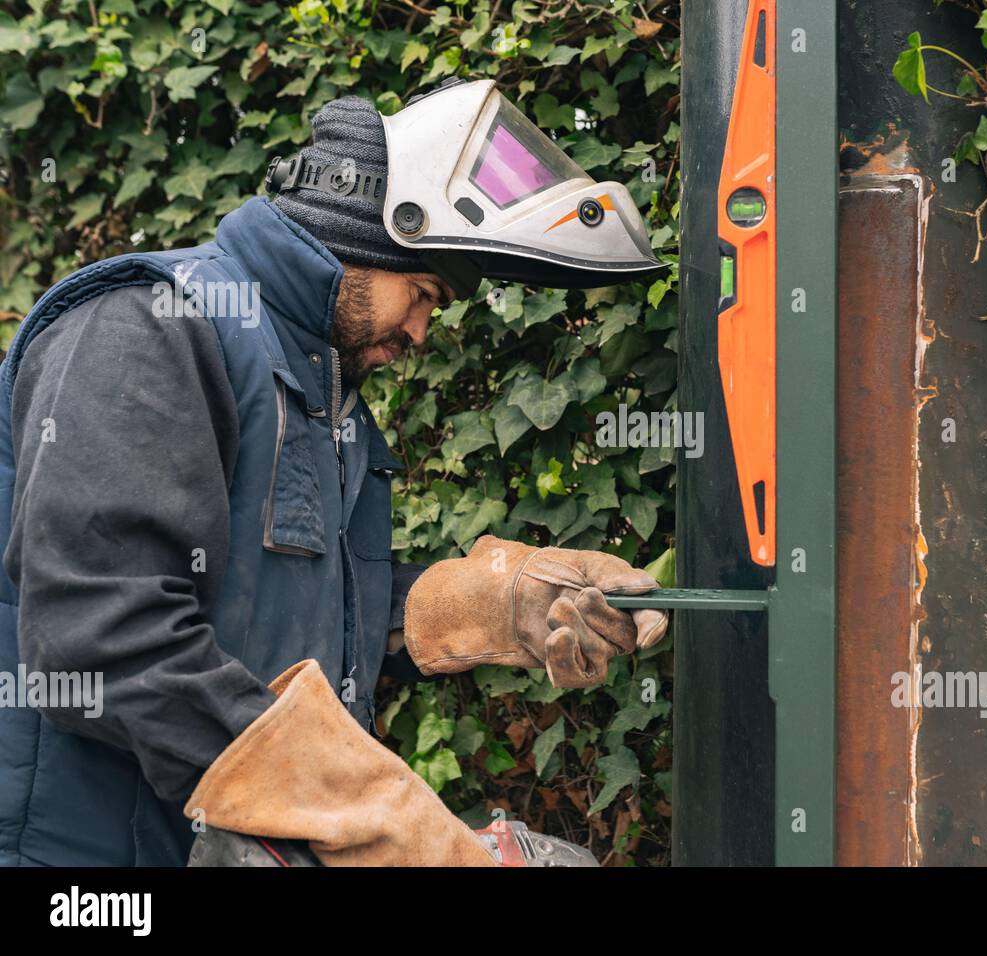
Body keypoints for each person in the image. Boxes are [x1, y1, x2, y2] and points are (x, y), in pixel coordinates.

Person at [0, 81, 669, 866]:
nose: (422, 332)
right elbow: (103, 638)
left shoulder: (328, 398)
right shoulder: (150, 327)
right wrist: (363, 816)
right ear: (361, 237)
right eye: (421, 294)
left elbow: (309, 613)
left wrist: (494, 604)